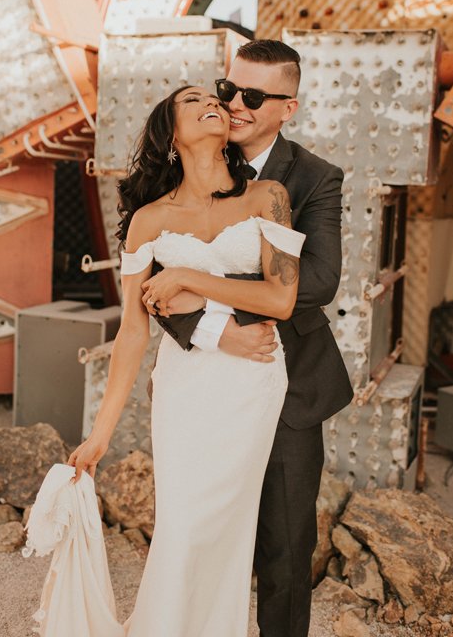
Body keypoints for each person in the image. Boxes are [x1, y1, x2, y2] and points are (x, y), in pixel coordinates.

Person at [66, 83, 307, 637]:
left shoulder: (267, 197)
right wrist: (101, 434)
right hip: (183, 385)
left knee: (226, 526)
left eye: (215, 100)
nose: (213, 104)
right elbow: (133, 331)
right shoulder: (148, 220)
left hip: (252, 382)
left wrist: (185, 277)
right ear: (170, 134)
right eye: (192, 100)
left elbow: (281, 299)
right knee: (183, 523)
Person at [150, 40, 355, 637]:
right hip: (201, 383)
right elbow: (152, 277)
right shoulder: (181, 159)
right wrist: (211, 326)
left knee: (285, 548)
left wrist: (197, 281)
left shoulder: (315, 177)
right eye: (229, 88)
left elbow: (319, 280)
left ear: (288, 108)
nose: (235, 104)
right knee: (193, 532)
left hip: (287, 385)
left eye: (255, 96)